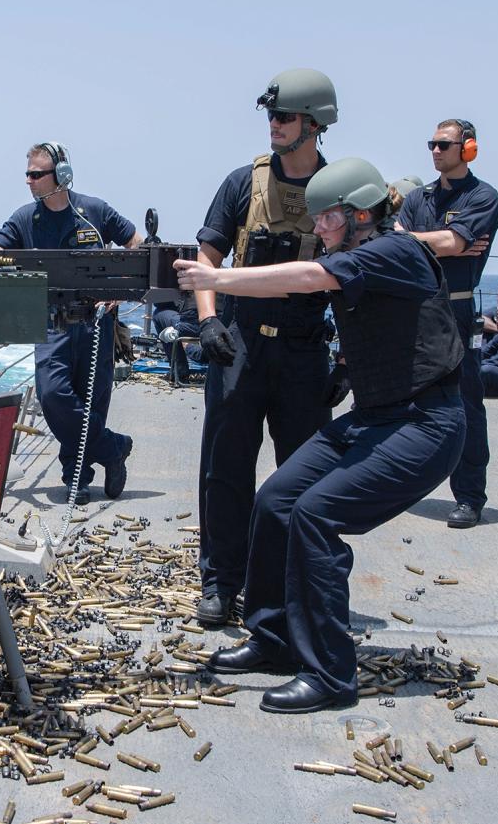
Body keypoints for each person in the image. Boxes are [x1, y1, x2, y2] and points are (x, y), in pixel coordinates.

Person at [175, 157, 465, 713]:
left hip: (425, 424)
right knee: (278, 500)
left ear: (360, 214)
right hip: (377, 417)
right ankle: (275, 638)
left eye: (326, 220)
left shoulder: (393, 249)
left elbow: (310, 279)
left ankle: (332, 674)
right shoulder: (358, 250)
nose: (317, 231)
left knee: (316, 515)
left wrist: (216, 279)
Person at [190, 69, 340, 625]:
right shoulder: (241, 184)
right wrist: (209, 325)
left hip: (304, 350)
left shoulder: (341, 190)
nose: (273, 126)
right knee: (225, 469)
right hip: (240, 345)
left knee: (306, 475)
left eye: (284, 117)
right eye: (271, 117)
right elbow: (207, 260)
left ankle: (295, 583)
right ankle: (221, 582)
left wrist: (346, 359)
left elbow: (362, 278)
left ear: (315, 123)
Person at [0, 142, 141, 504]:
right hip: (52, 324)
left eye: (36, 174)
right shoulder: (26, 218)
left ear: (62, 176)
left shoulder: (95, 211)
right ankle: (113, 447)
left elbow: (138, 243)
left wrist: (120, 287)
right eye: (28, 174)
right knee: (53, 394)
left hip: (97, 323)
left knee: (92, 399)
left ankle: (78, 478)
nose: (29, 181)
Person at [396, 118, 498, 530]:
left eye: (444, 144)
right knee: (404, 402)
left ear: (468, 148)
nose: (436, 151)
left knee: (465, 405)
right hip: (414, 309)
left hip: (456, 313)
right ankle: (399, 482)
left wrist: (430, 240)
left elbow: (452, 243)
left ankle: (470, 497)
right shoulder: (418, 197)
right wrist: (442, 240)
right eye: (432, 144)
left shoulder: (484, 196)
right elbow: (401, 241)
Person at [153, 294, 203, 383]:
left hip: (192, 327)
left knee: (159, 313)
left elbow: (160, 302)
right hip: (218, 325)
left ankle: (179, 371)